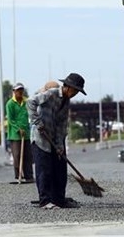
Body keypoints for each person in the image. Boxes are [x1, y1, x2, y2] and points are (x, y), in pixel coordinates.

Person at [27, 72, 86, 209]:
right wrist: (37, 122)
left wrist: (60, 145)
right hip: (41, 138)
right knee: (44, 171)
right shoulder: (52, 93)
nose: (76, 94)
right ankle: (45, 201)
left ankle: (59, 199)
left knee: (60, 170)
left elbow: (61, 124)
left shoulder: (66, 102)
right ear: (68, 87)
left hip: (54, 138)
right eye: (75, 91)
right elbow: (30, 102)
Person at [5, 82, 33, 183]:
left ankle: (29, 176)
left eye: (21, 90)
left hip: (26, 133)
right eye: (18, 90)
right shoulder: (10, 104)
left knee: (28, 156)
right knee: (17, 155)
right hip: (15, 134)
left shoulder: (27, 102)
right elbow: (10, 120)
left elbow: (31, 115)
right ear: (14, 92)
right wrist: (18, 129)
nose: (20, 92)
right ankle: (18, 176)